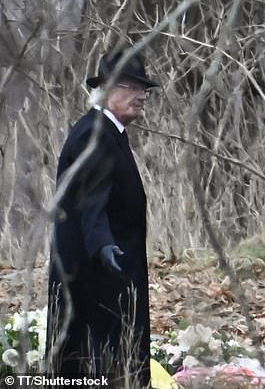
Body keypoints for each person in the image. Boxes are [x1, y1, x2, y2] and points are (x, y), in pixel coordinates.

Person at [46, 51, 157, 386]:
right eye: (131, 88)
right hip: (98, 269)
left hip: (107, 262)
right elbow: (91, 199)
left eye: (144, 90)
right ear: (107, 91)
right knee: (96, 353)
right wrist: (103, 244)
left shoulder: (108, 130)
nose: (140, 97)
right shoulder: (94, 134)